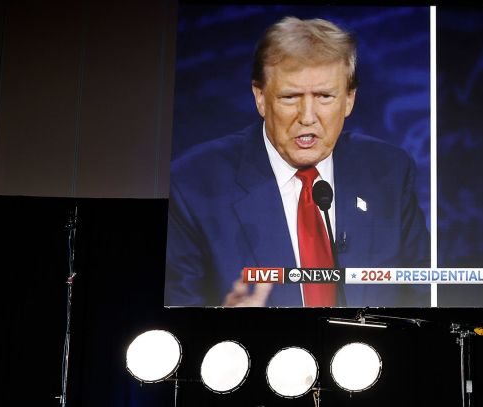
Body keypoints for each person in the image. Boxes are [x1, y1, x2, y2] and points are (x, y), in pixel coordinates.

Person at [166, 16, 430, 308]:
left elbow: (422, 294)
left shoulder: (389, 171)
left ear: (350, 99)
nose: (307, 116)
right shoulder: (193, 185)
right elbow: (177, 314)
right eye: (290, 97)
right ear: (261, 98)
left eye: (324, 96)